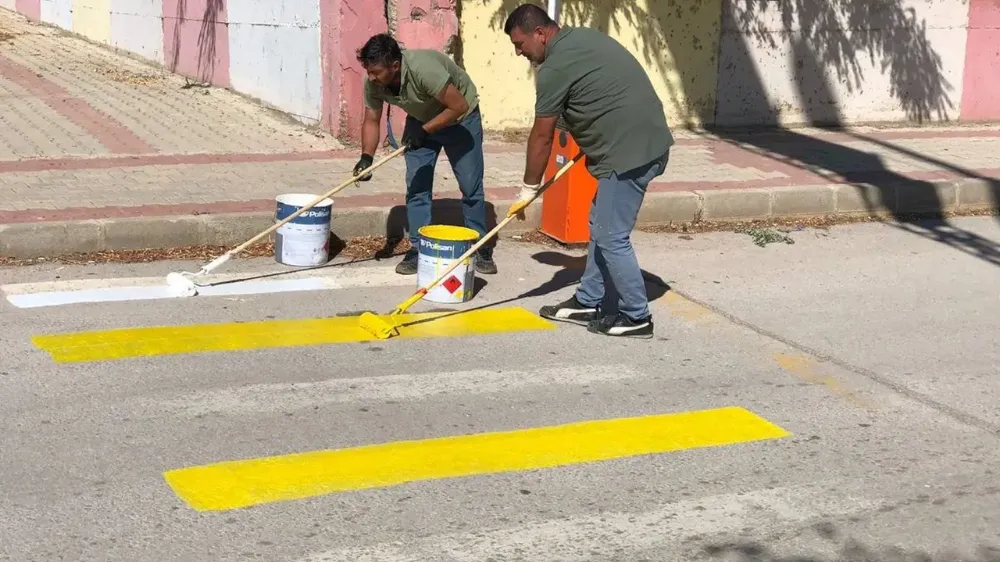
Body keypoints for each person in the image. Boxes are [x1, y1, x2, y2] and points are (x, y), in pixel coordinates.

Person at [503, 4, 674, 338]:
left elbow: (542, 135)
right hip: (638, 140)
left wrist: (528, 190)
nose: (519, 52)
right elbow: (584, 100)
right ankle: (588, 300)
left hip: (629, 152)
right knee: (600, 223)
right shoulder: (580, 38)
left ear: (539, 33)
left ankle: (636, 316)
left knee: (611, 234)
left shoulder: (553, 67)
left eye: (519, 44)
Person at [353, 33, 497, 275]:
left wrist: (425, 130)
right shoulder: (374, 82)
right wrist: (366, 157)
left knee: (470, 184)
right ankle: (419, 248)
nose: (371, 77)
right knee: (417, 186)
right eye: (369, 71)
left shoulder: (424, 70)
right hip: (422, 120)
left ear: (395, 66)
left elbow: (458, 106)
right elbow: (371, 119)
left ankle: (480, 245)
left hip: (461, 118)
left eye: (376, 72)